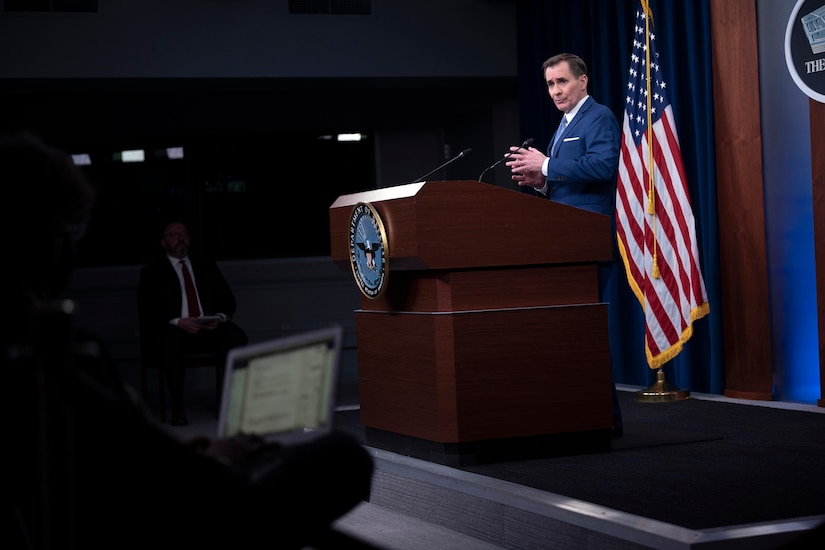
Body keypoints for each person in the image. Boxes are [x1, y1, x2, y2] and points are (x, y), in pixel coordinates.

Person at [1, 131, 375, 549]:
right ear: (52, 247)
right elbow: (143, 463)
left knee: (236, 338)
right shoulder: (58, 352)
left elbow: (134, 447)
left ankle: (226, 409)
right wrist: (214, 460)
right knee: (345, 456)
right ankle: (186, 417)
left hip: (162, 467)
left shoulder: (50, 346)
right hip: (173, 509)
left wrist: (192, 450)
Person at [505, 52, 624, 434]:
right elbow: (566, 185)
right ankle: (581, 416)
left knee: (586, 332)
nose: (555, 91)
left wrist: (546, 166)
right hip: (565, 244)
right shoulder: (564, 124)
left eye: (562, 82)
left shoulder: (598, 116)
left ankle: (606, 420)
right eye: (550, 84)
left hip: (588, 242)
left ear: (583, 81)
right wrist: (541, 184)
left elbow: (603, 166)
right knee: (570, 331)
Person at [137, 221, 248, 426]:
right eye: (174, 234)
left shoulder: (206, 265)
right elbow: (148, 309)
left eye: (184, 234)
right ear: (164, 242)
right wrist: (179, 321)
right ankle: (178, 406)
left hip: (209, 327)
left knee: (237, 337)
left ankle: (231, 402)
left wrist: (219, 317)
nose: (180, 238)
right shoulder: (152, 272)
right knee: (169, 342)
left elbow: (228, 300)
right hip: (176, 329)